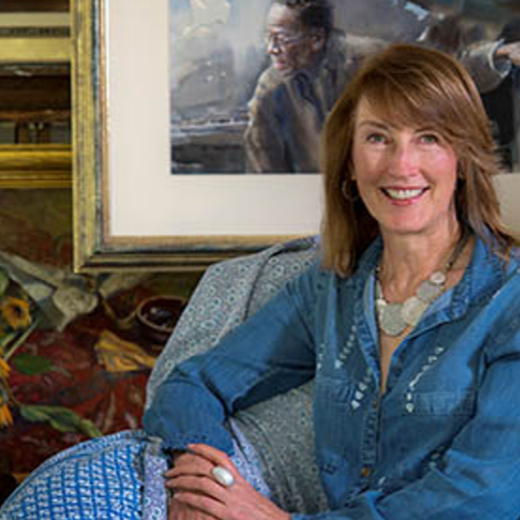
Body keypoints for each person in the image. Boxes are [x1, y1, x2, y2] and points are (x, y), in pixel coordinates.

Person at [2, 43, 520, 520]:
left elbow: (486, 492)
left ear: (464, 156)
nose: (401, 165)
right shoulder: (334, 290)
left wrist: (274, 519)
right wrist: (207, 480)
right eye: (378, 137)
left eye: (428, 138)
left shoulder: (509, 299)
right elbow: (193, 384)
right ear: (350, 160)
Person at [244, 0, 520, 174]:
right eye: (268, 39)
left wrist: (499, 55)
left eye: (281, 38)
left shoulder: (367, 59)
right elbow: (261, 158)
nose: (272, 49)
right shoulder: (271, 86)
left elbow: (439, 71)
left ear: (316, 39)